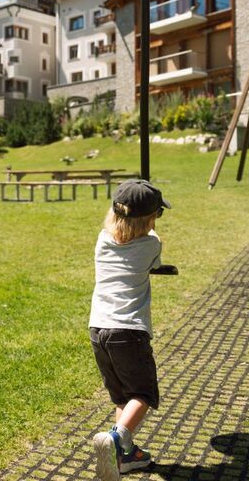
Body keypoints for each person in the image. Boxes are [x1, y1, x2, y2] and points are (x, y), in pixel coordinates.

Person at [89, 179, 170, 480]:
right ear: (149, 219)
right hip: (129, 331)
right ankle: (115, 438)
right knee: (143, 393)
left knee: (123, 397)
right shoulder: (152, 243)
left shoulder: (102, 239)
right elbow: (152, 262)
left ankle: (125, 455)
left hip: (98, 329)